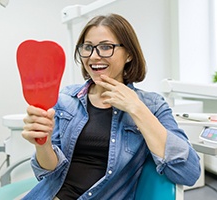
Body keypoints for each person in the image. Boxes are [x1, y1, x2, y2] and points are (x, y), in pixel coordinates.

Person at [22, 13, 201, 200]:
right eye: (88, 47)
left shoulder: (152, 105)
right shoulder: (66, 98)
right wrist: (42, 143)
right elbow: (50, 173)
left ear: (129, 54)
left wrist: (136, 108)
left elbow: (188, 172)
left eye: (106, 47)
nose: (94, 56)